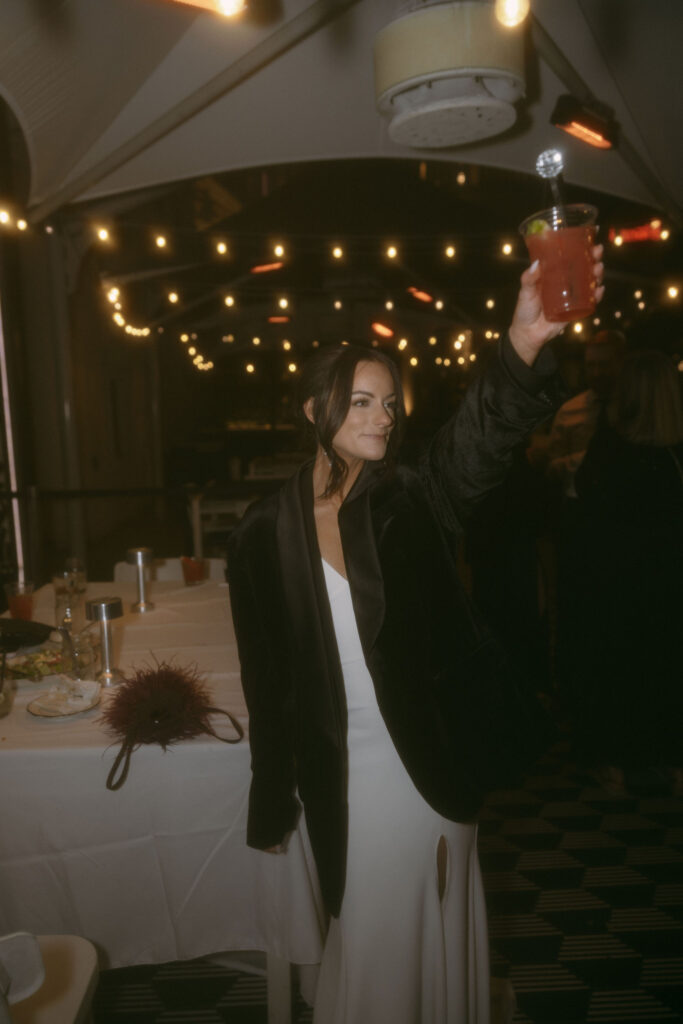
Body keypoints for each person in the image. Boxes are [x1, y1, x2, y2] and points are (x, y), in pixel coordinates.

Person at [227, 252, 604, 1024]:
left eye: (390, 404)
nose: (381, 419)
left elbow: (478, 441)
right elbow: (268, 685)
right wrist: (271, 806)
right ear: (310, 410)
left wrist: (522, 343)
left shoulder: (411, 499)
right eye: (359, 402)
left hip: (430, 758)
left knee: (431, 923)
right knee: (369, 940)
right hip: (344, 775)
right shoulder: (264, 532)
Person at [573, 349, 683, 791]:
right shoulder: (674, 453)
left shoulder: (611, 446)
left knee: (619, 666)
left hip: (617, 581)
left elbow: (585, 496)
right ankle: (674, 762)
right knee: (669, 665)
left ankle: (616, 762)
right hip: (672, 579)